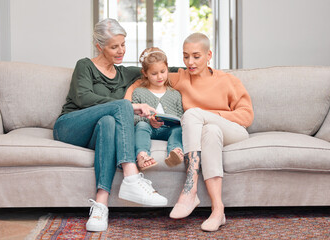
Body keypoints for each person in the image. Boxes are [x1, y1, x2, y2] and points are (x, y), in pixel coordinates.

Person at [125, 33, 254, 232]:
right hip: (208, 132)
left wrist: (208, 115)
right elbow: (140, 82)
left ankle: (190, 189)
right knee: (209, 131)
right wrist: (128, 104)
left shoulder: (228, 80)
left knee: (193, 115)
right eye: (185, 56)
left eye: (196, 56)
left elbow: (246, 115)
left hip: (233, 130)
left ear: (209, 54)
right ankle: (218, 210)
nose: (190, 62)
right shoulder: (179, 78)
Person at [53, 18, 173, 232]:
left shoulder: (124, 73)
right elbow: (83, 98)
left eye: (123, 44)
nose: (121, 51)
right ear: (99, 46)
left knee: (109, 122)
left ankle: (101, 205)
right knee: (123, 106)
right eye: (114, 46)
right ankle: (131, 176)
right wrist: (131, 105)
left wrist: (196, 68)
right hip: (71, 126)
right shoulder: (85, 66)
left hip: (98, 133)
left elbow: (161, 69)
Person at [127, 47, 184, 171]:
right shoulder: (139, 92)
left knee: (178, 129)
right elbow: (131, 117)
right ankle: (142, 155)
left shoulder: (175, 94)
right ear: (145, 73)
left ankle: (176, 151)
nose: (159, 77)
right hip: (149, 129)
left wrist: (175, 122)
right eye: (154, 73)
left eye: (163, 71)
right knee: (141, 126)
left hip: (169, 130)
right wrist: (149, 121)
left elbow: (181, 116)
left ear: (167, 69)